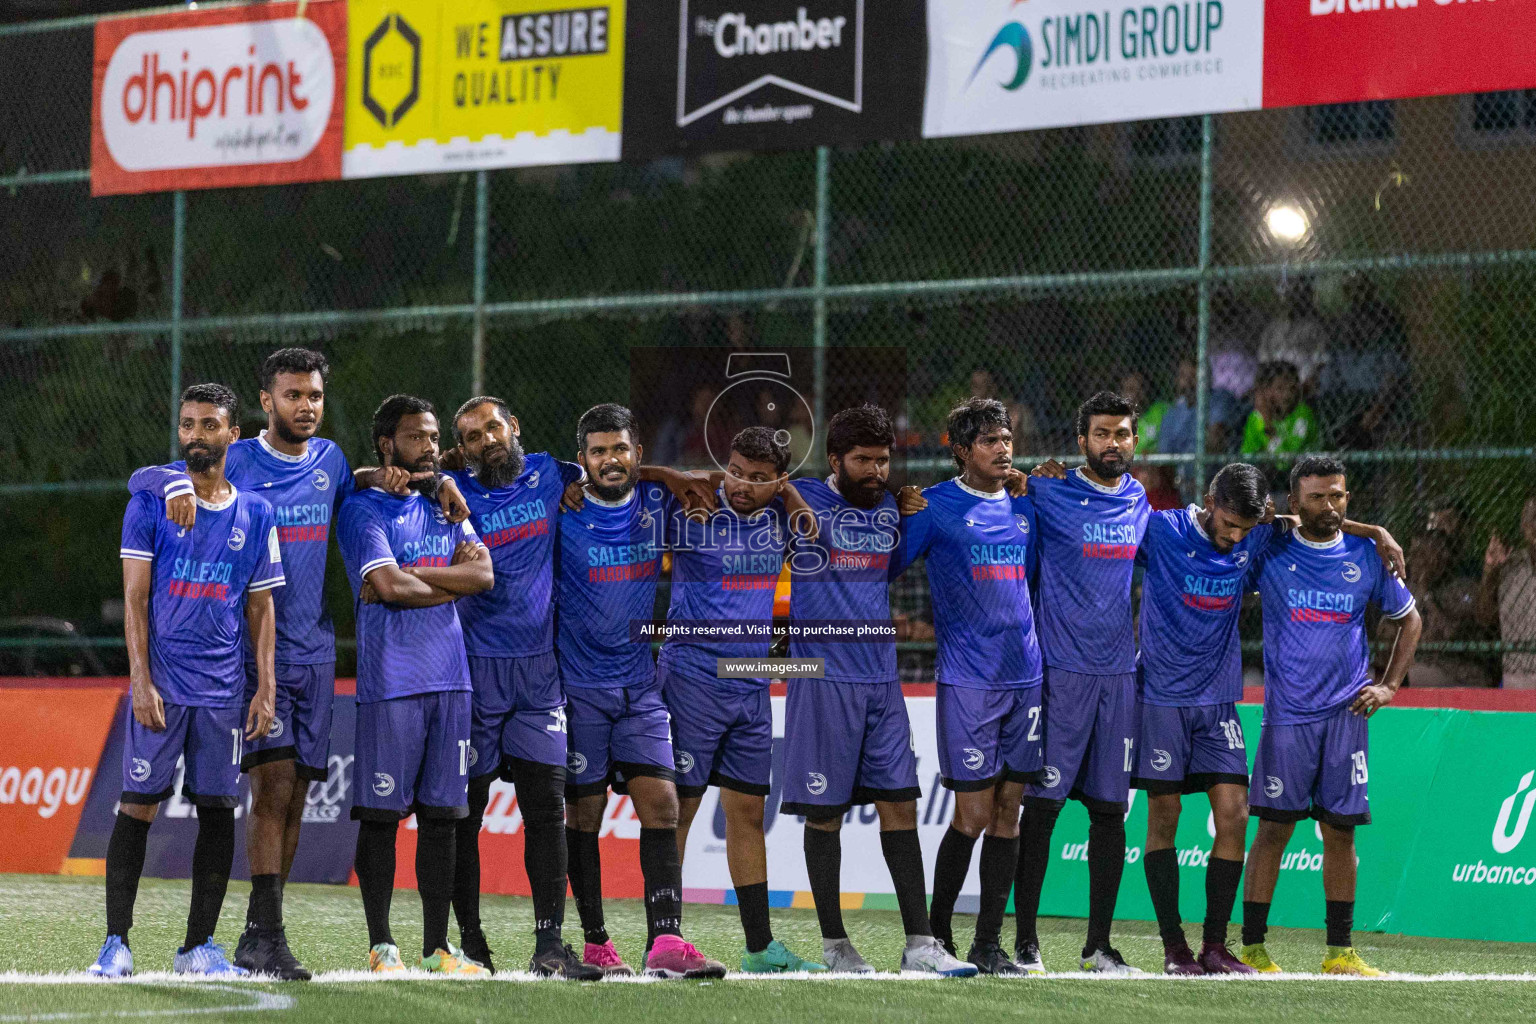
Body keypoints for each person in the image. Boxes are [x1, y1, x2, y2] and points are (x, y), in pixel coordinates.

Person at [124, 349, 466, 980]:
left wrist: (424, 480)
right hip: (254, 658)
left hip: (314, 651)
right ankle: (263, 932)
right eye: (292, 395)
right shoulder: (238, 458)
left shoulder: (331, 461)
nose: (305, 406)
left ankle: (263, 930)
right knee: (273, 789)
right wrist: (166, 479)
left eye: (313, 395)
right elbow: (153, 476)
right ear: (265, 403)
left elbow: (356, 479)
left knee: (298, 794)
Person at [1134, 464, 1405, 975]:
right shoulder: (1163, 528)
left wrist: (1376, 532)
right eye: (1229, 524)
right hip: (1161, 697)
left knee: (1235, 816)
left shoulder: (1257, 536)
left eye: (1244, 529)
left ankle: (1216, 948)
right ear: (1210, 500)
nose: (1234, 537)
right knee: (1164, 819)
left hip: (1218, 700)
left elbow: (1315, 519)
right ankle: (1175, 949)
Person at [92, 383, 284, 978]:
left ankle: (197, 946)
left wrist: (265, 687)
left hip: (224, 691)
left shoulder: (256, 513)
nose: (197, 437)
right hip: (165, 688)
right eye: (188, 426)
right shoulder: (152, 503)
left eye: (209, 426)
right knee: (138, 807)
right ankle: (116, 942)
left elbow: (261, 608)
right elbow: (135, 598)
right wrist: (140, 680)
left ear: (232, 433)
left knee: (219, 812)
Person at [781, 404, 972, 977]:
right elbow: (740, 481)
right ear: (835, 460)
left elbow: (955, 499)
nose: (875, 470)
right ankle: (836, 945)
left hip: (881, 682)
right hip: (822, 681)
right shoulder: (804, 500)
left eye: (883, 460)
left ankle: (920, 945)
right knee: (825, 817)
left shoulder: (893, 507)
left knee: (900, 806)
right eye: (862, 460)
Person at [558, 404, 727, 979]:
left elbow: (724, 486)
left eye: (621, 449)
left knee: (662, 804)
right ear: (581, 459)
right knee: (585, 814)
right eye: (599, 450)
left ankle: (666, 942)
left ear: (637, 452)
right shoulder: (562, 507)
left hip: (639, 685)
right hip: (577, 686)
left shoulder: (659, 503)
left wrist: (669, 475)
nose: (611, 460)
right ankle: (597, 941)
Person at [1241, 456, 1422, 976]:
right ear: (1295, 503)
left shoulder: (1365, 556)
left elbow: (1410, 621)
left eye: (1338, 495)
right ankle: (1253, 947)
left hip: (1347, 717)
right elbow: (1237, 536)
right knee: (1273, 831)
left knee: (1341, 834)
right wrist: (1378, 527)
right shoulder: (1272, 548)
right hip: (1288, 718)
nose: (1330, 506)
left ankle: (1340, 952)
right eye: (1317, 497)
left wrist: (1389, 685)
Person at [438, 396, 599, 978]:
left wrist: (672, 475)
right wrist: (436, 474)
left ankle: (550, 945)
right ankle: (472, 943)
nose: (486, 440)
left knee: (546, 814)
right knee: (465, 816)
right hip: (473, 672)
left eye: (493, 428)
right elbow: (384, 474)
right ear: (462, 446)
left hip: (539, 676)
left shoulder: (552, 474)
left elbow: (619, 472)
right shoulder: (449, 486)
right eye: (473, 436)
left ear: (515, 427)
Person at [336, 395, 494, 976]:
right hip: (392, 682)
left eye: (433, 436)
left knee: (443, 817)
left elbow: (483, 574)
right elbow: (386, 587)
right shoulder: (361, 511)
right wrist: (443, 583)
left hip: (451, 681)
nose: (429, 445)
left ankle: (437, 949)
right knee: (381, 817)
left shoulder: (445, 503)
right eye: (415, 437)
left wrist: (418, 575)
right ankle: (382, 945)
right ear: (386, 445)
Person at [659, 427, 823, 973]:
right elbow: (618, 479)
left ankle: (760, 947)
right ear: (723, 466)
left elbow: (816, 538)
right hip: (692, 676)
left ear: (776, 480)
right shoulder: (692, 506)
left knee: (747, 814)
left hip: (752, 680)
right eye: (736, 472)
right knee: (679, 813)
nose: (743, 485)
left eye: (759, 478)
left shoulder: (781, 517)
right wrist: (672, 474)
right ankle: (665, 941)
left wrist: (791, 493)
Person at [894, 398, 1045, 977]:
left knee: (1010, 813)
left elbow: (1028, 584)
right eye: (988, 441)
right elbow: (885, 566)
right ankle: (934, 936)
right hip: (970, 682)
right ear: (960, 449)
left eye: (1006, 437)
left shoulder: (1027, 506)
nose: (1002, 448)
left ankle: (989, 945)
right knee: (974, 814)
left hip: (1026, 679)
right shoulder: (934, 507)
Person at [1014, 391, 1151, 975]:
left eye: (1121, 433)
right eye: (1102, 433)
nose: (1112, 443)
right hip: (1059, 676)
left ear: (1134, 441)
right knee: (1041, 809)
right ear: (1081, 442)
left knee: (1108, 814)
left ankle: (1098, 945)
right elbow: (995, 486)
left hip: (1119, 677)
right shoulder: (1047, 491)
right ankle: (1024, 942)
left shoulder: (1141, 498)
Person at [1409, 529, 1490, 688]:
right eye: (1413, 553)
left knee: (1413, 675)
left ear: (1442, 557)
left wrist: (1426, 593)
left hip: (1458, 670)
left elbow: (1449, 634)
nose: (1414, 560)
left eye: (1422, 554)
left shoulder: (1465, 589)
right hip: (1422, 664)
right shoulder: (1408, 588)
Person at [1477, 494, 1536, 689]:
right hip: (1515, 675)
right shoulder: (1509, 566)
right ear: (1523, 525)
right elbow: (1485, 618)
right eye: (1531, 518)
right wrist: (1490, 572)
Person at [1241, 361, 1316, 497]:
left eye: (1292, 389)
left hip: (1300, 476)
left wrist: (1268, 425)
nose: (1287, 395)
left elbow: (1284, 462)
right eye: (1280, 388)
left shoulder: (1303, 415)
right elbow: (1248, 455)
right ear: (1266, 391)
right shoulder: (1257, 417)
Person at [1257, 277, 1329, 391]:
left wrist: (1308, 381)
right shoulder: (1271, 329)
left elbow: (1320, 359)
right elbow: (1264, 360)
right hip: (1276, 380)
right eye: (1285, 297)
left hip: (1303, 379)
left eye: (1293, 296)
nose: (1288, 301)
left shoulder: (1312, 327)